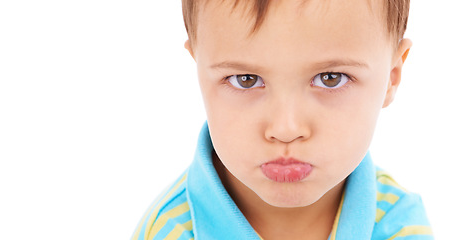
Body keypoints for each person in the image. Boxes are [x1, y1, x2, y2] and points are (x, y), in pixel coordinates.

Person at [132, 0, 432, 239]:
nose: (286, 129)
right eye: (246, 80)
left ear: (392, 78)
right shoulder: (170, 231)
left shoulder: (399, 225)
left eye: (331, 78)